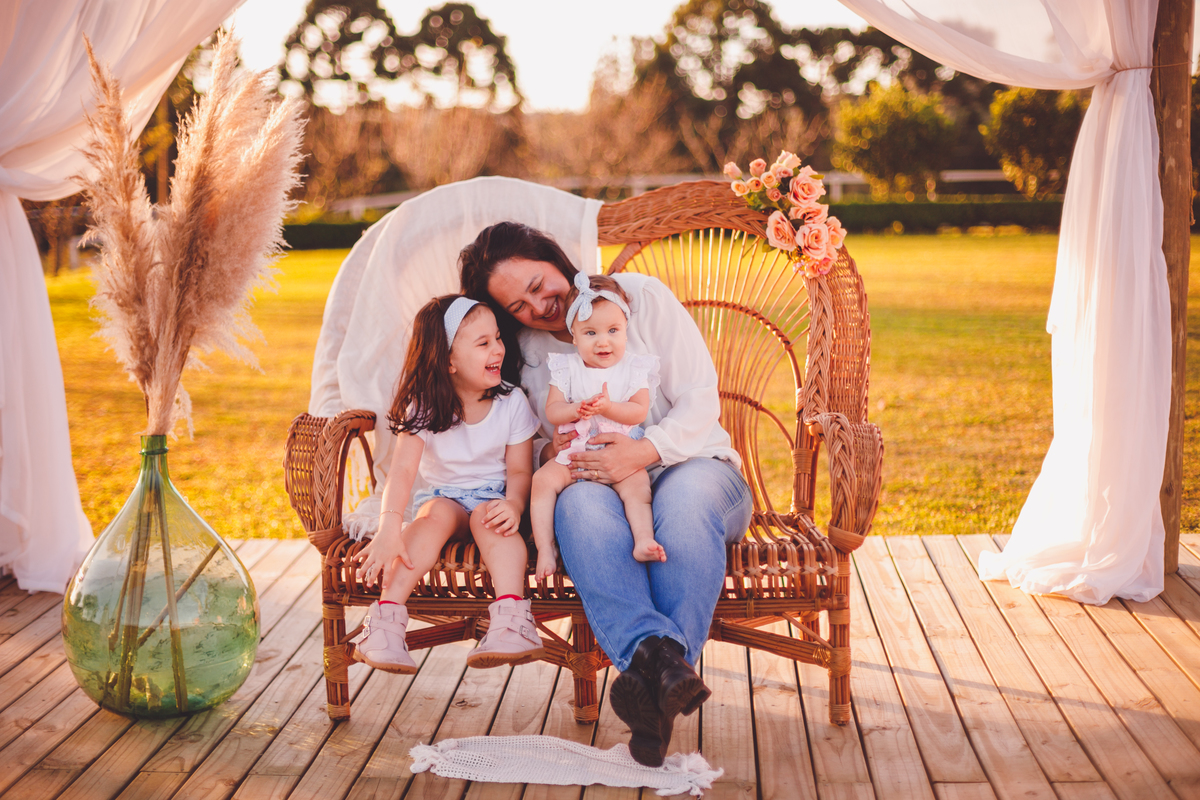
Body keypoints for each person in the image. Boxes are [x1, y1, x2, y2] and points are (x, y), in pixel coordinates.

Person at [459, 222, 753, 767]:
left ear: (554, 257)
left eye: (537, 282)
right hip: (592, 476)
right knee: (578, 508)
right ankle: (661, 676)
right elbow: (538, 438)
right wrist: (556, 451)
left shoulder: (642, 299)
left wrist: (643, 452)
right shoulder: (530, 350)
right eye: (518, 306)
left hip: (696, 465)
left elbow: (699, 400)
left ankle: (651, 671)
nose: (539, 305)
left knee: (682, 512)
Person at [352, 295, 543, 673]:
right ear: (448, 362)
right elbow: (402, 471)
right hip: (446, 500)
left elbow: (520, 472)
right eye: (483, 343)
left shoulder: (512, 402)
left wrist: (516, 506)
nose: (498, 349)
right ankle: (385, 625)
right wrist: (389, 527)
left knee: (490, 518)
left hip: (495, 500)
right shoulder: (425, 405)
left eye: (498, 338)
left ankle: (512, 622)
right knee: (433, 514)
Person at [531, 272, 664, 578]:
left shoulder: (633, 367)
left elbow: (638, 411)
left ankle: (643, 539)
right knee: (542, 482)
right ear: (574, 336)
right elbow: (553, 411)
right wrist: (574, 408)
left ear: (625, 330)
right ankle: (544, 548)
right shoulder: (567, 368)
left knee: (638, 489)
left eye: (613, 330)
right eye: (590, 333)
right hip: (575, 454)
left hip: (621, 452)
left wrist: (608, 407)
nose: (603, 341)